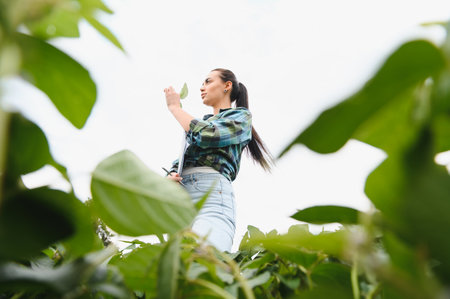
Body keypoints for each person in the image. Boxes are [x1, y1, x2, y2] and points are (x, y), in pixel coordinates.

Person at [163, 68, 272, 252]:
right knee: (177, 267)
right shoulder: (197, 123)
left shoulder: (240, 116)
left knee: (205, 259)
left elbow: (209, 135)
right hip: (179, 200)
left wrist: (175, 109)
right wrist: (170, 177)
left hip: (212, 195)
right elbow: (182, 160)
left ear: (227, 86)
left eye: (208, 81)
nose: (201, 88)